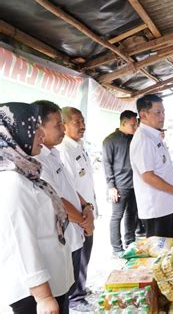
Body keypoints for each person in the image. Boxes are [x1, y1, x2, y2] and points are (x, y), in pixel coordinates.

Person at [0, 102, 74, 314]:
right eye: (35, 128)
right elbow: (20, 241)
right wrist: (44, 297)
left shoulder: (25, 172)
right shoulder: (11, 181)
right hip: (34, 295)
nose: (42, 135)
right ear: (14, 133)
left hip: (52, 283)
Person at [33, 101, 94, 311]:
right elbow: (56, 200)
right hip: (64, 237)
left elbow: (69, 188)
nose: (62, 129)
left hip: (75, 232)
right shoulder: (37, 161)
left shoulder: (54, 153)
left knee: (67, 291)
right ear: (40, 128)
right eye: (58, 125)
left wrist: (86, 206)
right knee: (61, 298)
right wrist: (85, 221)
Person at [130, 94, 173, 239]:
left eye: (163, 112)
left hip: (165, 205)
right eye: (158, 112)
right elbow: (148, 176)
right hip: (156, 209)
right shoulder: (143, 139)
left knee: (170, 250)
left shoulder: (153, 136)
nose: (162, 116)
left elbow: (159, 170)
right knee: (161, 255)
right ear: (143, 115)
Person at [56, 107, 97, 311]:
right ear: (64, 125)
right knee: (78, 257)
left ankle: (79, 290)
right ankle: (76, 298)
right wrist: (83, 218)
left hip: (85, 211)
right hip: (77, 216)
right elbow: (67, 190)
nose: (82, 126)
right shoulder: (64, 150)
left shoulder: (78, 146)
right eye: (76, 122)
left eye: (82, 121)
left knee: (85, 255)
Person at [102, 110, 139, 257]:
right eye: (132, 125)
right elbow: (106, 164)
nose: (135, 127)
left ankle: (130, 243)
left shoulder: (134, 139)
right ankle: (116, 249)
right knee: (117, 216)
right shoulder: (110, 140)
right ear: (123, 123)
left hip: (135, 183)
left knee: (132, 214)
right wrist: (111, 187)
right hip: (119, 185)